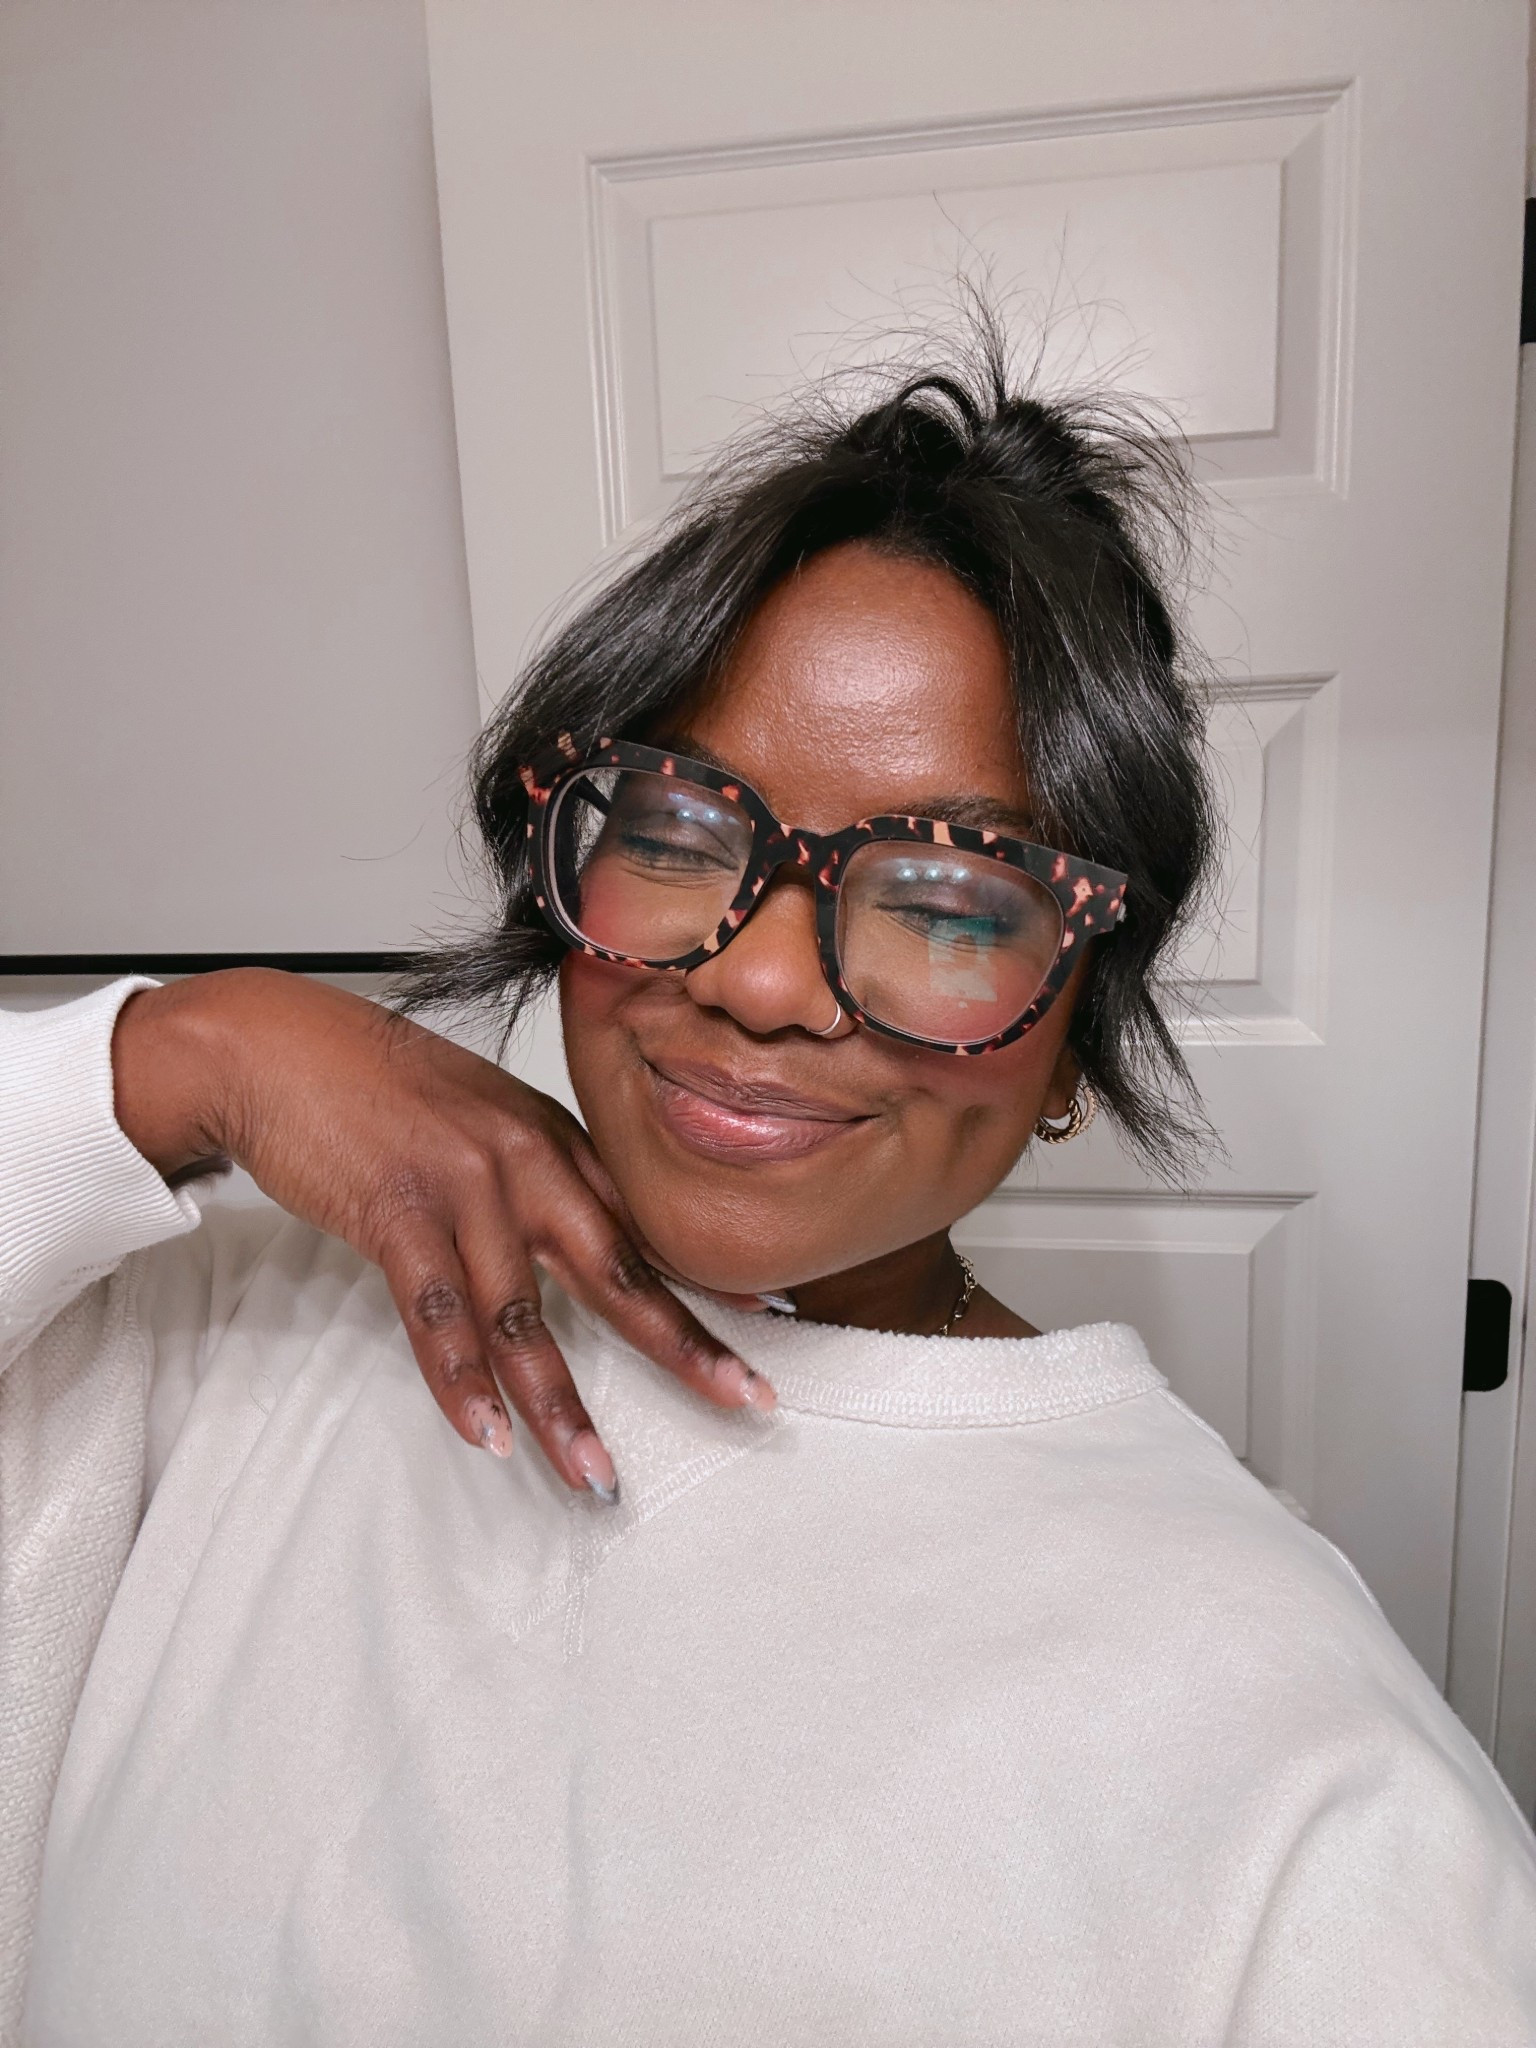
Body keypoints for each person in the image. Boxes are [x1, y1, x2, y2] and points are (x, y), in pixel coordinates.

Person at [3, 343, 1534, 2047]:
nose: (760, 982)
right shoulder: (239, 1319)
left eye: (945, 901)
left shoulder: (1271, 1726)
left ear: (1080, 1039)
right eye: (672, 834)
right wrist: (178, 1055)